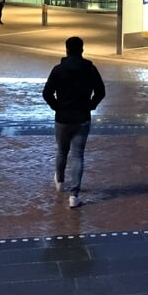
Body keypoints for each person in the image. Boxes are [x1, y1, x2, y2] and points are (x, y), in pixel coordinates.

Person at [42, 36, 105, 208]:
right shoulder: (90, 69)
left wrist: (57, 107)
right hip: (82, 117)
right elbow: (101, 91)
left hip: (62, 118)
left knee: (62, 151)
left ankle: (60, 181)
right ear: (82, 50)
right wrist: (90, 105)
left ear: (66, 50)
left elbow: (47, 93)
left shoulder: (58, 70)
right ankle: (74, 195)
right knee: (78, 155)